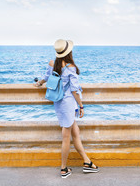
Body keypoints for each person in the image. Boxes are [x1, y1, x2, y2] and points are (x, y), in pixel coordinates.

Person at [34, 39, 99, 178]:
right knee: (66, 137)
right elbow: (75, 90)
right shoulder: (70, 67)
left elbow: (46, 77)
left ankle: (87, 162)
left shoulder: (53, 64)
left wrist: (39, 83)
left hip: (58, 103)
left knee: (76, 133)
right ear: (69, 52)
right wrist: (81, 106)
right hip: (69, 104)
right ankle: (63, 168)